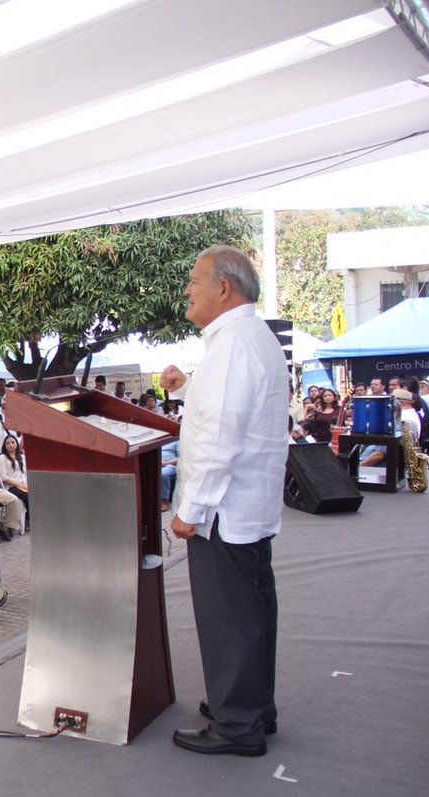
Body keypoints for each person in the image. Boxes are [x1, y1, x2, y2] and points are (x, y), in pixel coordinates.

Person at [160, 244, 285, 758]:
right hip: (248, 509)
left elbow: (219, 437)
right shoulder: (250, 338)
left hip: (223, 513)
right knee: (250, 613)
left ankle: (237, 724)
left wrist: (191, 509)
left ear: (224, 288)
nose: (188, 290)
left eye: (195, 280)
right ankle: (253, 707)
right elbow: (231, 409)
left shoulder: (232, 346)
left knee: (228, 619)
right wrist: (187, 388)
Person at [0, 435, 29, 515]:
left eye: (13, 442)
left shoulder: (22, 457)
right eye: (8, 443)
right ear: (4, 446)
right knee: (28, 496)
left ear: (17, 444)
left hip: (25, 485)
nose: (10, 445)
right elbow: (4, 478)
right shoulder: (2, 457)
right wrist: (20, 486)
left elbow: (26, 473)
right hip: (12, 487)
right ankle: (30, 518)